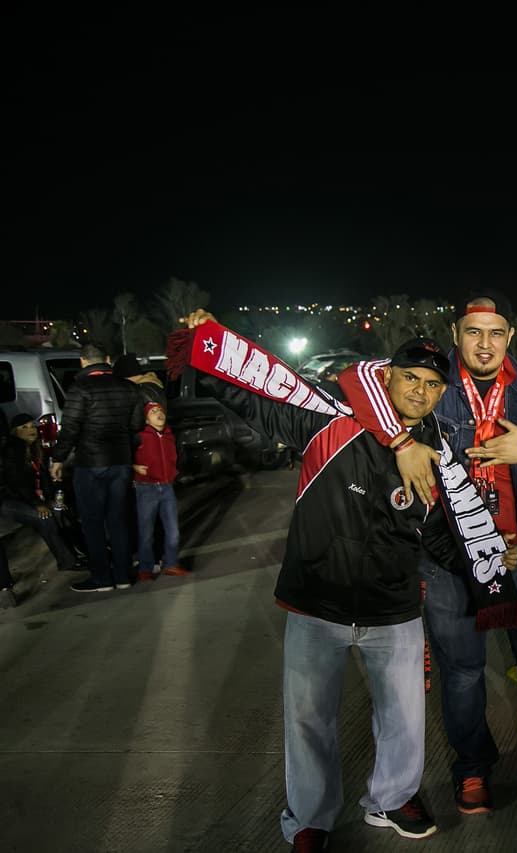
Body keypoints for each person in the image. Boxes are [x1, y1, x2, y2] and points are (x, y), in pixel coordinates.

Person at [174, 309, 488, 850]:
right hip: (317, 602)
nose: (420, 390)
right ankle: (311, 818)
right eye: (410, 377)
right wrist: (205, 349)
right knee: (308, 721)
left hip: (393, 609)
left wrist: (484, 564)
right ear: (387, 375)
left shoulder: (439, 451)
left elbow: (439, 531)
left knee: (405, 721)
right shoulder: (330, 421)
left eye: (434, 384)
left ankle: (390, 799)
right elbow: (253, 399)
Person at [338, 294, 517, 816]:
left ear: (510, 339)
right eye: (474, 332)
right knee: (463, 673)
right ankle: (473, 767)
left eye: (495, 333)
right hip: (450, 560)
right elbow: (354, 375)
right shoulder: (431, 378)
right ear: (456, 335)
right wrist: (400, 440)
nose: (485, 343)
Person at [49, 342, 144, 593]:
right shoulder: (130, 388)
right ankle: (123, 576)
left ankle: (102, 578)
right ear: (108, 359)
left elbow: (70, 429)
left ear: (82, 361)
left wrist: (58, 459)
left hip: (90, 464)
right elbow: (136, 426)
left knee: (92, 522)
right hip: (121, 462)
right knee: (119, 521)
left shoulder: (79, 389)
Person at [1, 414, 81, 606]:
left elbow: (44, 478)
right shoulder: (13, 451)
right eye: (24, 427)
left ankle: (77, 554)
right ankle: (67, 561)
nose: (31, 430)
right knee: (44, 518)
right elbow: (17, 484)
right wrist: (38, 504)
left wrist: (53, 498)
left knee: (60, 509)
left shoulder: (36, 450)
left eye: (32, 426)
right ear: (14, 432)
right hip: (11, 501)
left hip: (31, 498)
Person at [131, 402, 184, 580]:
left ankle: (172, 564)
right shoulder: (139, 437)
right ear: (146, 419)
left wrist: (174, 472)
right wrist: (134, 467)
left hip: (167, 487)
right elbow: (123, 456)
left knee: (173, 530)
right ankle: (145, 568)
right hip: (147, 488)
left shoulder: (170, 436)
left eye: (160, 410)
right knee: (146, 531)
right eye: (153, 412)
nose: (159, 414)